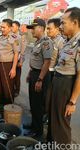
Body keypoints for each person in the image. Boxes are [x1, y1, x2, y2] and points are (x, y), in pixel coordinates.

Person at [47, 7, 80, 144]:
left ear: (75, 22)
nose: (60, 26)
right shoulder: (68, 41)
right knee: (52, 118)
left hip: (66, 85)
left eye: (63, 23)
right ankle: (50, 144)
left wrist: (72, 101)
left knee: (61, 123)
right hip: (57, 81)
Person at [26, 19, 53, 138]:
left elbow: (47, 62)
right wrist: (30, 73)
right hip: (34, 74)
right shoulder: (37, 42)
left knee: (38, 104)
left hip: (40, 75)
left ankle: (38, 132)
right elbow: (35, 60)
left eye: (33, 28)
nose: (31, 30)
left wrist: (40, 80)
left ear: (41, 28)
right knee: (33, 101)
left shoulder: (46, 42)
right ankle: (33, 125)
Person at [0, 19, 19, 107]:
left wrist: (13, 69)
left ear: (9, 28)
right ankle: (0, 102)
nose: (2, 29)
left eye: (4, 27)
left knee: (7, 86)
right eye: (1, 27)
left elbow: (16, 53)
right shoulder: (0, 37)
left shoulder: (13, 38)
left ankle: (8, 105)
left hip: (8, 65)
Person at [45, 18, 65, 113]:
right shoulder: (48, 40)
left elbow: (61, 61)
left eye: (50, 28)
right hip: (45, 71)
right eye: (47, 28)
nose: (47, 31)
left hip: (52, 73)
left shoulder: (61, 42)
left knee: (49, 97)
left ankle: (47, 117)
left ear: (57, 29)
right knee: (43, 95)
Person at [12, 21, 27, 97]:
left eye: (13, 26)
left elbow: (23, 50)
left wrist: (21, 61)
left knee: (17, 77)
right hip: (11, 59)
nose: (12, 28)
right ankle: (11, 89)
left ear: (17, 27)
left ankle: (16, 90)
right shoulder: (11, 35)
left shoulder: (21, 36)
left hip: (18, 59)